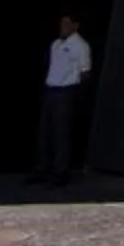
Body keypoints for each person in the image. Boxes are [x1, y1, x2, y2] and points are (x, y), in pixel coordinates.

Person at [34, 12, 93, 185]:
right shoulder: (56, 44)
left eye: (67, 24)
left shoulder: (81, 46)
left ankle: (61, 173)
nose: (63, 28)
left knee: (61, 134)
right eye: (61, 24)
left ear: (75, 26)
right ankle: (41, 169)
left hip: (65, 91)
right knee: (45, 132)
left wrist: (74, 90)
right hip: (51, 89)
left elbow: (85, 72)